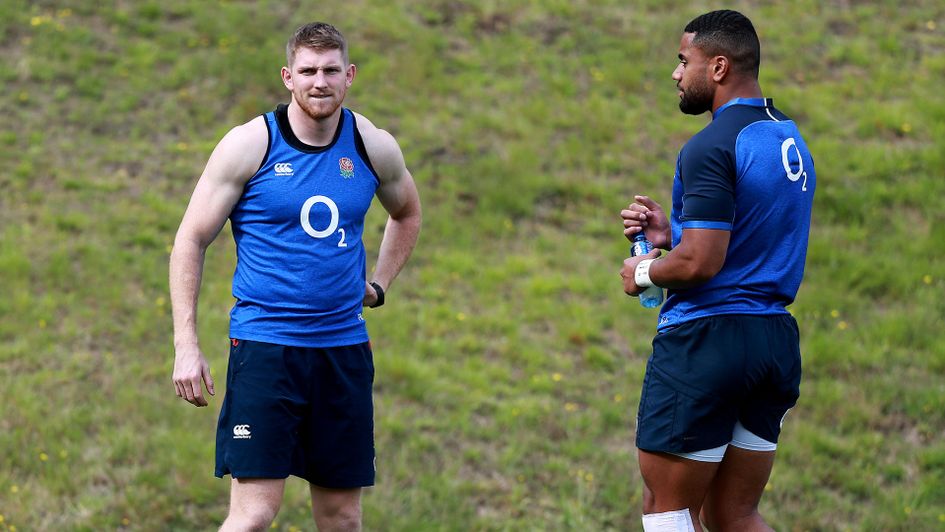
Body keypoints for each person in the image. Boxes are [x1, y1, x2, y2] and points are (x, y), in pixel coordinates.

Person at [169, 22, 421, 531]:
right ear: (288, 77)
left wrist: (379, 286)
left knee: (343, 518)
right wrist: (185, 345)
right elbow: (190, 240)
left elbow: (407, 212)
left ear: (349, 75)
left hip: (342, 351)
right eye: (307, 71)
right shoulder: (250, 144)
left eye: (331, 70)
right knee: (255, 513)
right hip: (266, 349)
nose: (319, 82)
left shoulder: (372, 145)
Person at [619, 10, 815, 532]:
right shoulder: (787, 138)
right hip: (772, 343)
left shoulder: (710, 145)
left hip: (708, 344)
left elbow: (703, 263)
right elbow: (746, 237)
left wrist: (645, 270)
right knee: (734, 515)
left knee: (667, 511)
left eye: (685, 61)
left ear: (720, 66)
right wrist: (673, 235)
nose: (676, 74)